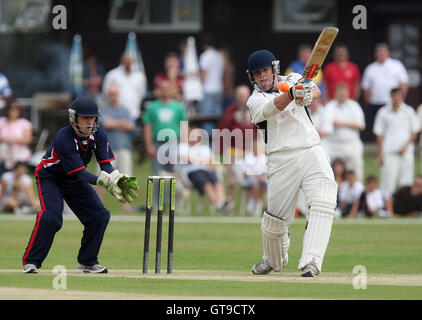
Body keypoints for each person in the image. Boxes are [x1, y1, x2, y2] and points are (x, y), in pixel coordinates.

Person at [21, 97, 139, 274]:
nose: (90, 123)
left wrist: (116, 177)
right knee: (51, 217)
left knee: (99, 215)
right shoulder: (63, 137)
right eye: (85, 119)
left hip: (74, 180)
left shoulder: (99, 135)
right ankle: (31, 262)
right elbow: (79, 172)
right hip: (51, 177)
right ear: (74, 118)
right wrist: (103, 182)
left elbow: (106, 164)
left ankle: (87, 262)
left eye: (93, 119)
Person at [246, 49, 337, 277]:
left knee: (323, 202)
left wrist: (304, 91)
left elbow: (315, 90)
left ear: (274, 68)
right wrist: (292, 95)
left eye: (265, 70)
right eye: (257, 74)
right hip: (281, 159)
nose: (262, 76)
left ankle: (312, 262)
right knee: (275, 222)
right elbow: (272, 108)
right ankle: (271, 259)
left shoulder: (294, 79)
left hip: (310, 150)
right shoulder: (254, 100)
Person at [373, 88, 420, 201]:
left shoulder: (409, 111)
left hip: (406, 152)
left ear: (402, 96)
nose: (396, 98)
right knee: (388, 181)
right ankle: (385, 207)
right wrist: (380, 153)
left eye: (398, 95)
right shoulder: (383, 112)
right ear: (391, 96)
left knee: (406, 181)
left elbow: (415, 132)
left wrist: (406, 146)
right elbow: (379, 133)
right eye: (394, 96)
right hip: (389, 152)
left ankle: (405, 206)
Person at [178, 126, 232, 214]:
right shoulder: (183, 146)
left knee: (217, 181)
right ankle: (219, 205)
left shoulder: (205, 148)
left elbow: (211, 161)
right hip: (192, 173)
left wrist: (198, 160)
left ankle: (221, 203)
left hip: (207, 170)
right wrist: (203, 161)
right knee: (207, 184)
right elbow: (188, 160)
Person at [99, 84, 135, 213]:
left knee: (125, 178)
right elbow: (105, 123)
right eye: (111, 94)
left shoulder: (125, 110)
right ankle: (98, 204)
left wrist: (114, 122)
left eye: (115, 93)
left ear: (118, 95)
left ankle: (127, 206)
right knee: (103, 178)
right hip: (107, 150)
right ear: (108, 95)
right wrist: (121, 123)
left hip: (124, 147)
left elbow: (131, 126)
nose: (113, 96)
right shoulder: (104, 110)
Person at [361, 43, 409, 138]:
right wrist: (369, 101)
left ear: (388, 53)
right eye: (379, 52)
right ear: (375, 54)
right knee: (378, 128)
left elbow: (404, 83)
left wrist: (401, 98)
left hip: (392, 102)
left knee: (393, 125)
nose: (381, 54)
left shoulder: (397, 65)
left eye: (383, 51)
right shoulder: (370, 68)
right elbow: (366, 87)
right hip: (375, 103)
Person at [142, 80, 187, 175]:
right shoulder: (152, 107)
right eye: (163, 89)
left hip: (174, 144)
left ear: (171, 90)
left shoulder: (178, 107)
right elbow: (148, 127)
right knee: (158, 173)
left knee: (175, 172)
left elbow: (184, 127)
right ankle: (158, 190)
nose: (165, 91)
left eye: (168, 88)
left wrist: (184, 145)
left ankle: (173, 190)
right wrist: (149, 145)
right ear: (158, 90)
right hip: (158, 144)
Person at [325, 83, 365, 181]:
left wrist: (341, 123)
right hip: (333, 144)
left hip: (351, 144)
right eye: (340, 94)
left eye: (344, 94)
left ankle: (356, 190)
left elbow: (360, 125)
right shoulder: (330, 106)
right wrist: (349, 123)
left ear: (348, 94)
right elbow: (328, 124)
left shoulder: (354, 106)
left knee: (355, 167)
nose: (342, 96)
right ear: (335, 94)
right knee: (328, 167)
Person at [102, 53, 147, 123]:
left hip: (134, 114)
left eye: (130, 59)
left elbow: (142, 94)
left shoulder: (139, 76)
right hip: (114, 115)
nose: (128, 61)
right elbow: (106, 93)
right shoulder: (112, 74)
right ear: (121, 60)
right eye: (126, 59)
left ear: (133, 61)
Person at [198, 34, 224, 136]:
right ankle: (218, 142)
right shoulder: (219, 56)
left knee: (207, 117)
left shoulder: (205, 56)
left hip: (208, 89)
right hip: (218, 89)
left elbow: (203, 75)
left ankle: (208, 143)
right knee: (217, 117)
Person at [0, 99, 33, 175]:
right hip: (3, 156)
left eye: (15, 110)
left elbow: (28, 139)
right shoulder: (2, 121)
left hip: (19, 156)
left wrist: (9, 140)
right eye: (11, 110)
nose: (12, 112)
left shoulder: (24, 123)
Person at [242, 137, 267, 216]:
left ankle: (253, 201)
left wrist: (262, 177)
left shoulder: (264, 158)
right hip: (250, 179)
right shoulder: (247, 157)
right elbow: (245, 173)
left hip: (261, 179)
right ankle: (258, 204)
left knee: (266, 185)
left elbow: (265, 171)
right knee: (255, 184)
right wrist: (257, 176)